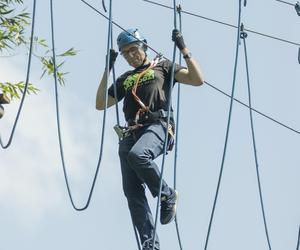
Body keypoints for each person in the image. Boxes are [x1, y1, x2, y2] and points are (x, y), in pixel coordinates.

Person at [96, 28, 204, 250]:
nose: (130, 55)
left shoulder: (163, 66)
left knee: (139, 155)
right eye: (125, 53)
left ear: (144, 47)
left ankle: (167, 195)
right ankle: (149, 244)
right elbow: (100, 103)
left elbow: (197, 79)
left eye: (133, 49)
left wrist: (183, 48)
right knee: (132, 192)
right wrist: (107, 69)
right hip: (131, 133)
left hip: (158, 126)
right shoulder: (125, 78)